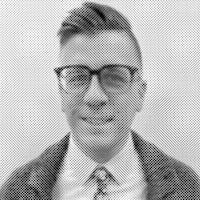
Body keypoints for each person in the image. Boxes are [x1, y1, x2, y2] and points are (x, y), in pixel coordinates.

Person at [0, 1, 199, 199]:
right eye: (77, 77)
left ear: (140, 93)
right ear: (61, 92)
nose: (94, 97)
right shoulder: (15, 191)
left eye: (114, 77)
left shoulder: (189, 189)